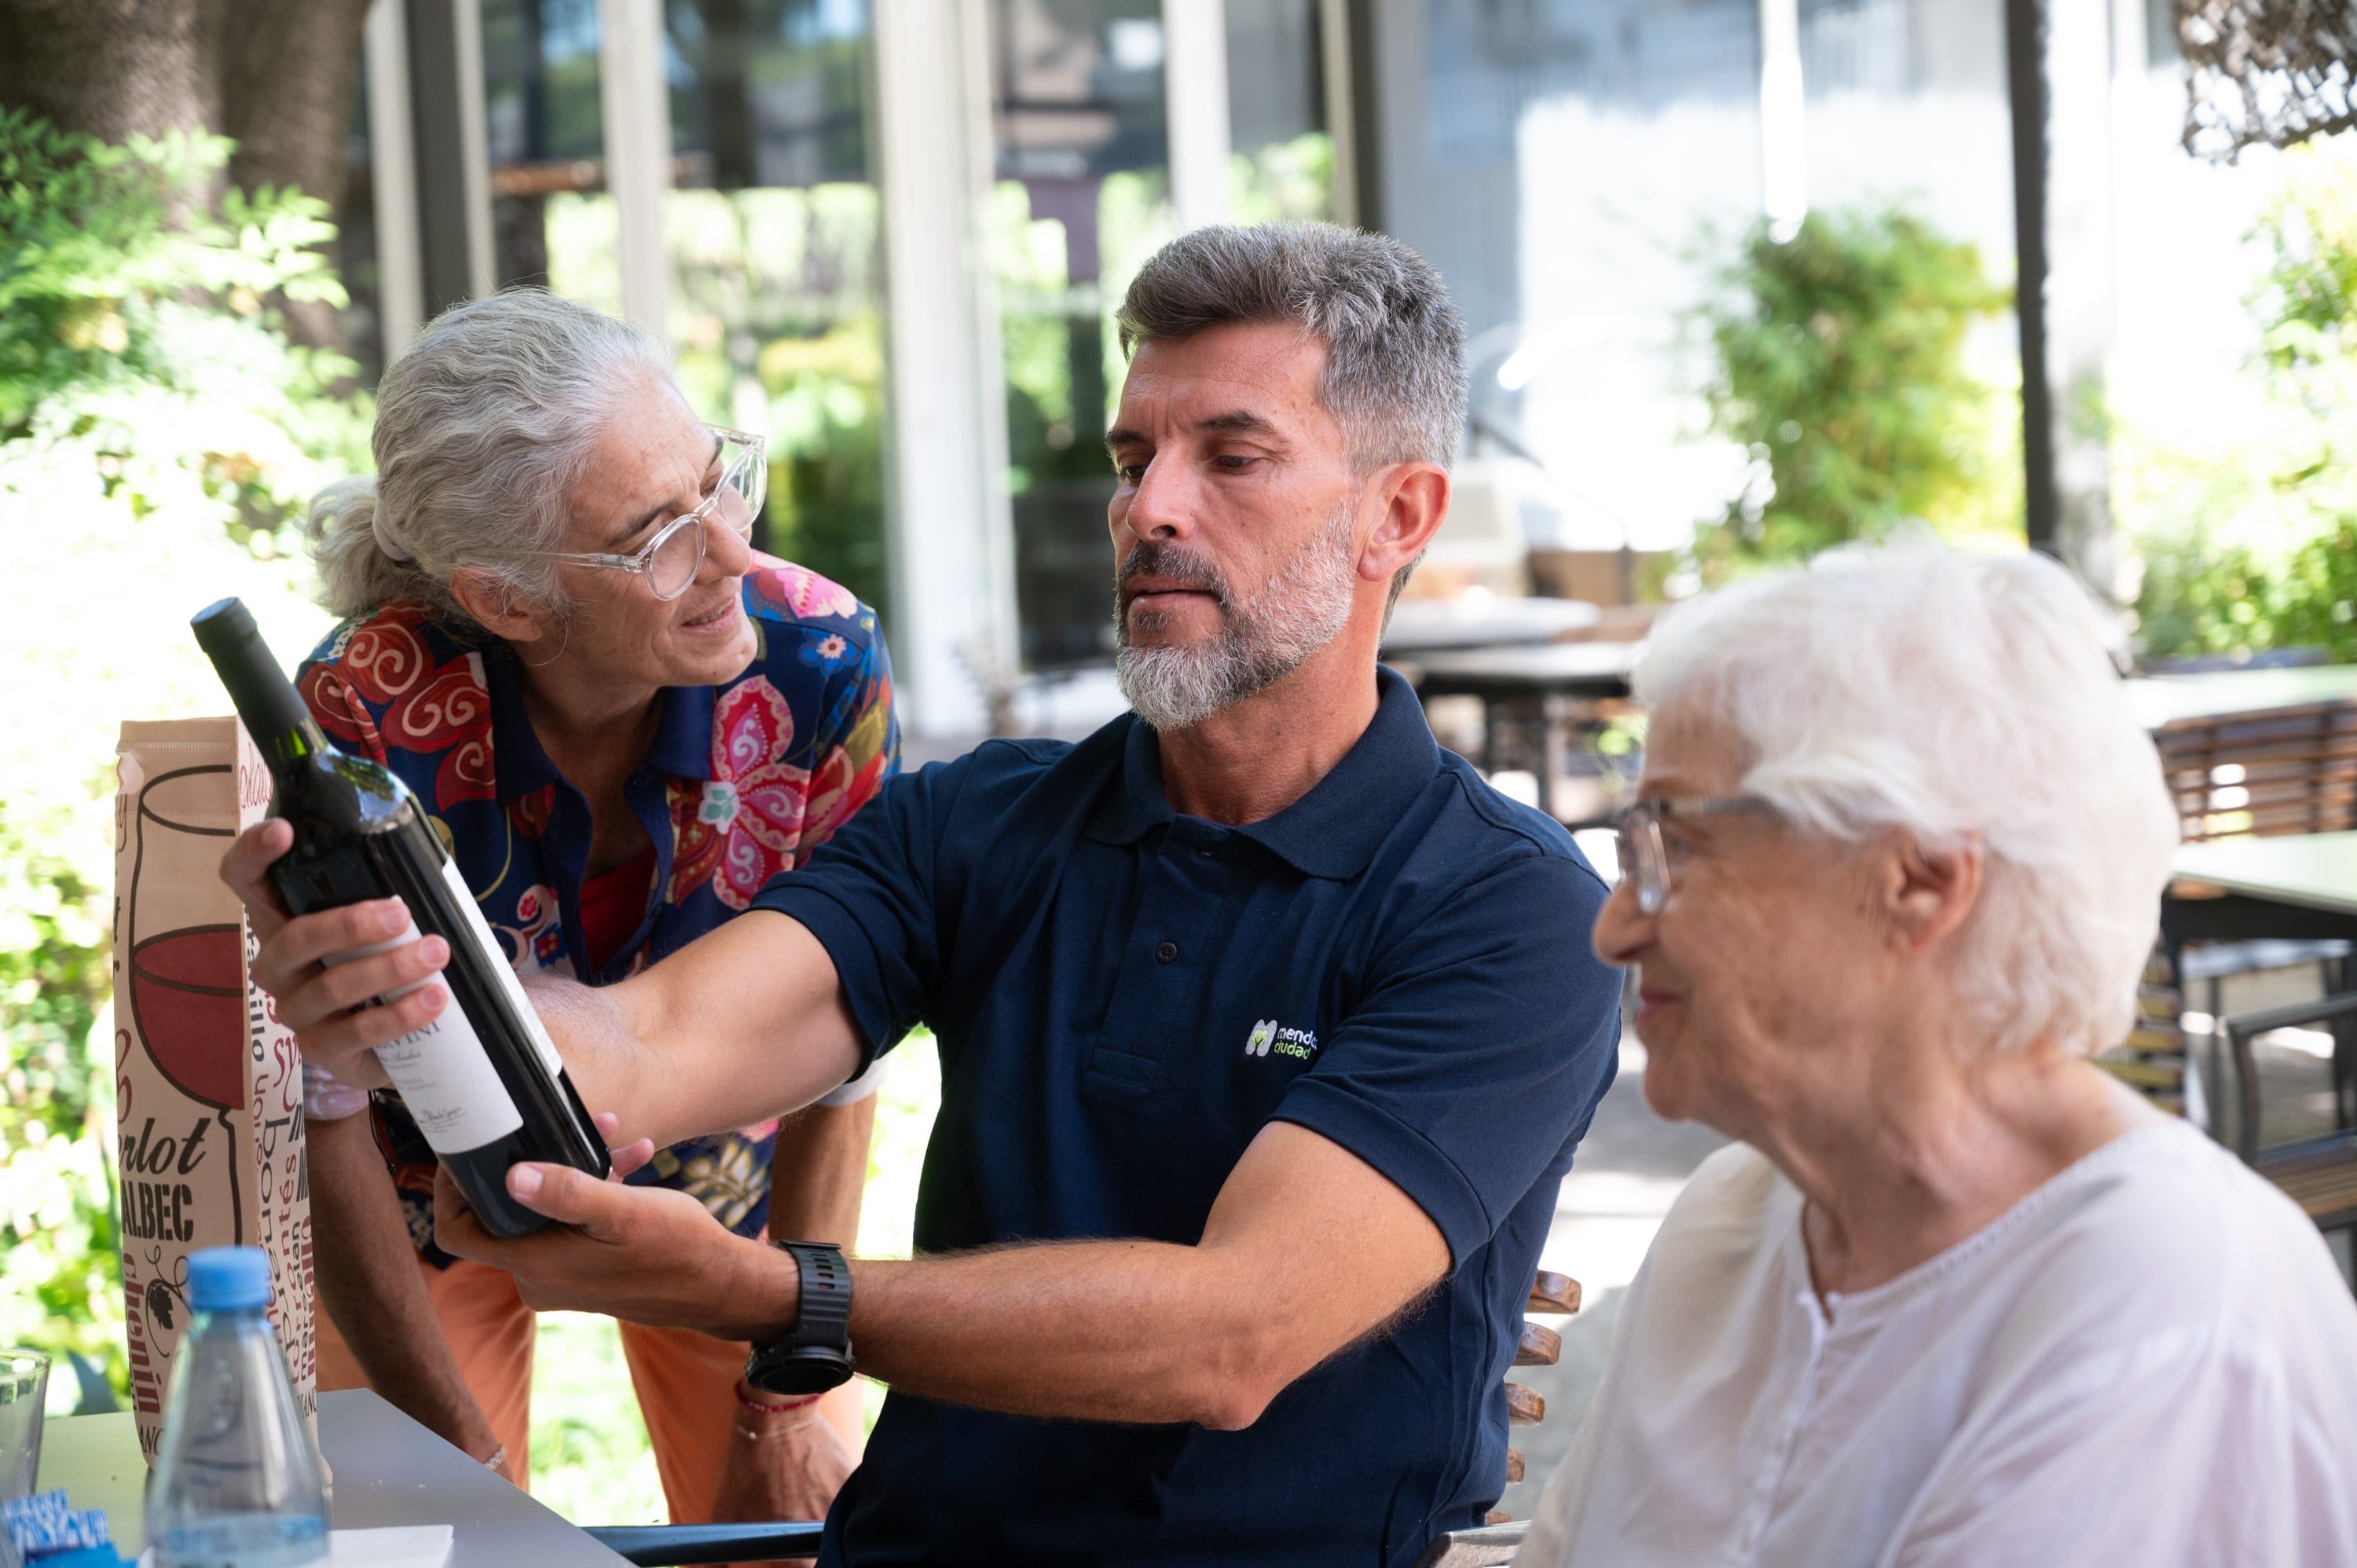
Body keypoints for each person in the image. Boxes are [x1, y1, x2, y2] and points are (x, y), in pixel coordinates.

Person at [225, 223, 1625, 1566]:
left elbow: (1230, 1339)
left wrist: (779, 1301)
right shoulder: (980, 824)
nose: (1150, 507)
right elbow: (646, 1048)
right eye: (1134, 455)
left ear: (1400, 514)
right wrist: (395, 1008)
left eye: (1232, 456)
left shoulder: (1504, 910)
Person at [1513, 543, 2357, 1568]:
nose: (1613, 930)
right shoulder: (1737, 1219)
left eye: (1673, 846)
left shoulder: (2161, 1289)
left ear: (1916, 878)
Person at [284, 289, 897, 1529]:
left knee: (798, 1536)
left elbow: (848, 1048)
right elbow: (329, 1101)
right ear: (506, 600)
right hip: (423, 1193)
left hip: (728, 1177)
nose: (733, 551)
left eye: (720, 480)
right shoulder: (360, 715)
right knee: (426, 1537)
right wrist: (455, 1451)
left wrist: (789, 1390)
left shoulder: (821, 660)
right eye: (656, 534)